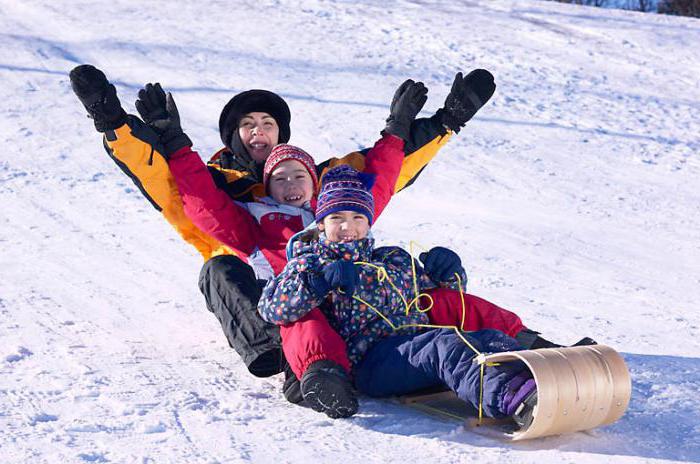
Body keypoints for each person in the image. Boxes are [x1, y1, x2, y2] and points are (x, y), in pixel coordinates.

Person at [68, 65, 501, 391]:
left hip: (335, 289)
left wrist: (438, 122)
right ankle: (282, 354)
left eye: (268, 124)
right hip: (258, 284)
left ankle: (511, 341)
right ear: (233, 134)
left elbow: (377, 177)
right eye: (248, 125)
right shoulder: (216, 182)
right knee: (219, 271)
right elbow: (169, 183)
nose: (259, 132)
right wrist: (114, 123)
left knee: (411, 277)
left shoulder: (309, 180)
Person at [258, 165, 539, 423]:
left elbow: (443, 295)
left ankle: (541, 375)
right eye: (336, 218)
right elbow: (271, 307)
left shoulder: (393, 259)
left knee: (486, 339)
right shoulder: (311, 262)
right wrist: (318, 283)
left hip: (414, 341)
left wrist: (449, 272)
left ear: (368, 223)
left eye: (357, 217)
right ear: (321, 224)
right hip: (370, 360)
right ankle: (513, 398)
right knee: (443, 347)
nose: (348, 227)